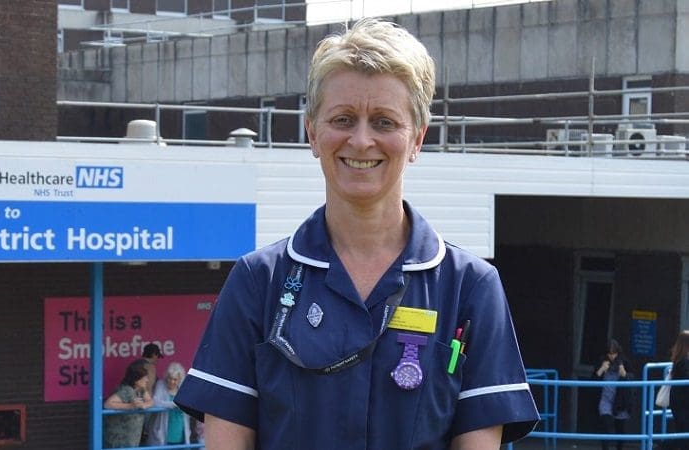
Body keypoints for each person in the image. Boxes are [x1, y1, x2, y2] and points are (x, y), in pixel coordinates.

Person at [173, 18, 540, 449]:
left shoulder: (470, 287)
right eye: (343, 119)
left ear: (418, 139)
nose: (361, 140)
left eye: (384, 122)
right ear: (312, 132)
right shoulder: (258, 282)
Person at [103, 359, 154, 448]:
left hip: (132, 438)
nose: (147, 380)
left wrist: (145, 405)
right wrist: (130, 406)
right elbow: (108, 404)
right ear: (136, 380)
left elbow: (151, 401)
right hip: (119, 439)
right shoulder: (126, 390)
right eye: (144, 377)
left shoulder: (141, 389)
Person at [594, 339, 631, 450]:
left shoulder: (624, 361)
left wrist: (624, 374)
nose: (612, 356)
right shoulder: (602, 361)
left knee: (620, 430)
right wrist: (601, 370)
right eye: (609, 354)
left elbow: (633, 379)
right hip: (605, 399)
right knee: (606, 426)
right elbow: (593, 380)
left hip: (620, 401)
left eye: (614, 353)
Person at [146, 362, 191, 446]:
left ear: (180, 379)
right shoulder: (161, 384)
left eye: (175, 379)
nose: (171, 381)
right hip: (163, 430)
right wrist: (173, 404)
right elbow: (155, 402)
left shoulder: (182, 387)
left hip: (180, 428)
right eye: (170, 378)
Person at [669, 330, 689, 450]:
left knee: (683, 434)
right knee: (684, 434)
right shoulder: (683, 362)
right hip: (682, 404)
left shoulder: (679, 359)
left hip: (680, 402)